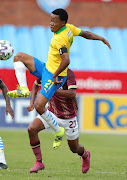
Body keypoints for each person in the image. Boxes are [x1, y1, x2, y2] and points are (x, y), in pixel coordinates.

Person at [7, 8, 111, 149]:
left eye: (54, 21)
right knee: (18, 56)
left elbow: (66, 60)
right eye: (50, 20)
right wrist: (101, 38)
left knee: (39, 106)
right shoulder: (69, 28)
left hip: (54, 75)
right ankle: (23, 88)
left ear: (62, 22)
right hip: (46, 68)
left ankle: (58, 131)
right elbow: (85, 34)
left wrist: (55, 75)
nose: (51, 23)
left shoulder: (60, 39)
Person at [27, 68, 90, 173]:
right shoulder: (47, 72)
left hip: (68, 117)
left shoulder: (68, 73)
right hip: (52, 113)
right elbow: (35, 84)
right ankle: (39, 162)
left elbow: (72, 93)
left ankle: (85, 154)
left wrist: (53, 89)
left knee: (74, 148)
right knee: (32, 129)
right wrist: (31, 102)